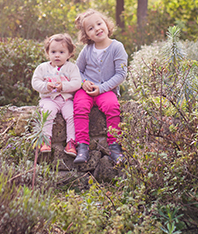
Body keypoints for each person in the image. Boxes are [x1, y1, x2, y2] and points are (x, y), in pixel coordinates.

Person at [72, 9, 128, 164]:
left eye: (99, 23)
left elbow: (121, 74)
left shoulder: (117, 47)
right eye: (91, 28)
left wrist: (102, 88)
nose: (96, 28)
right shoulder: (87, 50)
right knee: (80, 106)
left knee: (112, 106)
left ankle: (114, 146)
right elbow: (77, 70)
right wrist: (84, 83)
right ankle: (82, 146)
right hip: (87, 90)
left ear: (106, 25)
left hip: (106, 90)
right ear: (87, 35)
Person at [31, 33, 82, 156]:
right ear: (48, 53)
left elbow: (77, 83)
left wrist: (63, 86)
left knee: (72, 116)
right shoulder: (42, 68)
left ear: (69, 54)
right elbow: (35, 82)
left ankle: (71, 142)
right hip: (49, 99)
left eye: (61, 52)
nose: (57, 55)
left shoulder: (72, 68)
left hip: (66, 100)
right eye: (53, 52)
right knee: (48, 113)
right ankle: (45, 140)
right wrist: (45, 86)